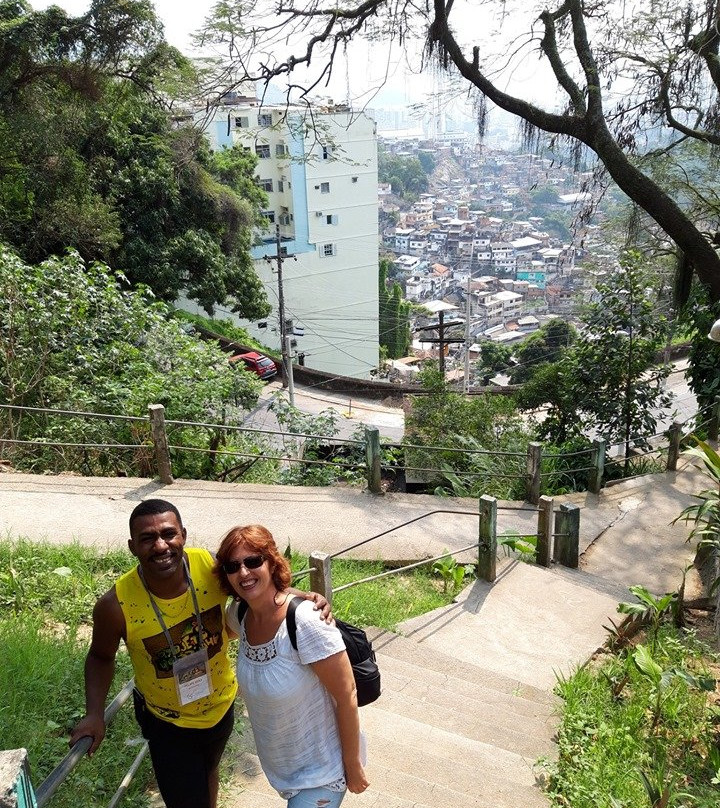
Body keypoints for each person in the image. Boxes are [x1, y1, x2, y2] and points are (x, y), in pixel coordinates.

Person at [69, 499, 330, 808]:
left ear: (184, 535)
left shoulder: (209, 566)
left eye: (169, 534)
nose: (161, 545)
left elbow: (255, 590)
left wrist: (301, 598)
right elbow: (100, 656)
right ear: (132, 546)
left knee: (209, 771)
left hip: (221, 707)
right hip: (168, 723)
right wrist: (94, 714)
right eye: (147, 538)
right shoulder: (115, 606)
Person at [217, 524, 369, 808]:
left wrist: (353, 764)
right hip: (285, 770)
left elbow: (347, 694)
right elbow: (214, 635)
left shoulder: (307, 623)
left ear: (271, 563)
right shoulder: (240, 614)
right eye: (232, 565)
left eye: (253, 561)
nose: (244, 572)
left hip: (322, 772)